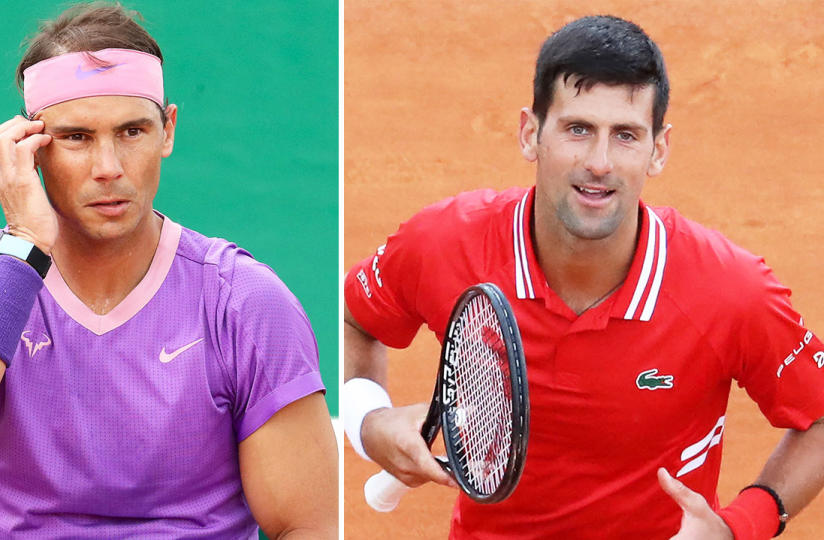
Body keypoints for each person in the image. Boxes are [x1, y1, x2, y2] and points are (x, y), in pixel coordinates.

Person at [342, 14, 824, 539]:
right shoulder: (445, 243)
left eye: (625, 136)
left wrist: (739, 527)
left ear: (657, 150)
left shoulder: (729, 290)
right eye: (578, 129)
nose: (599, 162)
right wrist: (369, 420)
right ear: (531, 134)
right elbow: (351, 318)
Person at [0, 4, 337, 538]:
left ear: (168, 131)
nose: (108, 167)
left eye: (132, 131)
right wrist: (25, 248)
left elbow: (307, 525)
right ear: (31, 149)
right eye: (77, 138)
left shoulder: (245, 301)